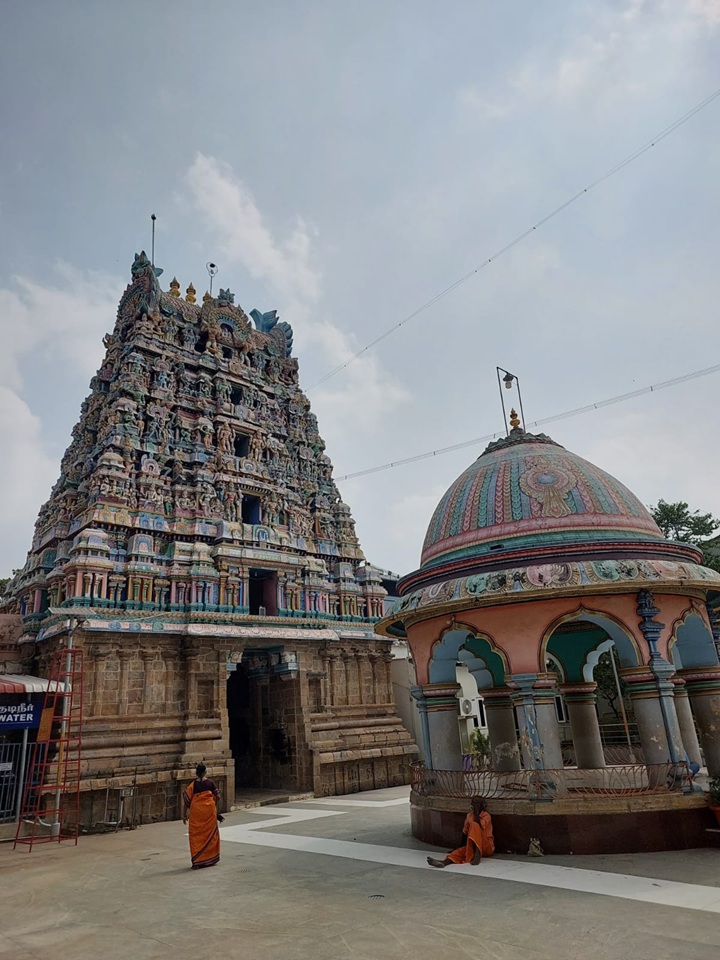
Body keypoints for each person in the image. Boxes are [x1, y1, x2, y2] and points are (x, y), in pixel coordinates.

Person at [427, 797, 494, 868]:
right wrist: (460, 847)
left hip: (486, 847)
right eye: (474, 803)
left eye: (477, 804)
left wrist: (477, 813)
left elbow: (479, 826)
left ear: (482, 805)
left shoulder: (486, 816)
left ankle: (477, 855)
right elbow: (465, 833)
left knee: (474, 825)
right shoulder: (469, 816)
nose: (475, 805)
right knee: (457, 853)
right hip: (472, 846)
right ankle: (444, 863)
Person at [182, 762, 224, 869]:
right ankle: (210, 858)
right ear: (205, 772)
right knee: (211, 835)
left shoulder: (192, 785)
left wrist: (184, 815)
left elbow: (186, 802)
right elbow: (218, 796)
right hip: (209, 813)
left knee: (196, 836)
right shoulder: (210, 783)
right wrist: (213, 805)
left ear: (196, 773)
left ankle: (197, 861)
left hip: (196, 814)